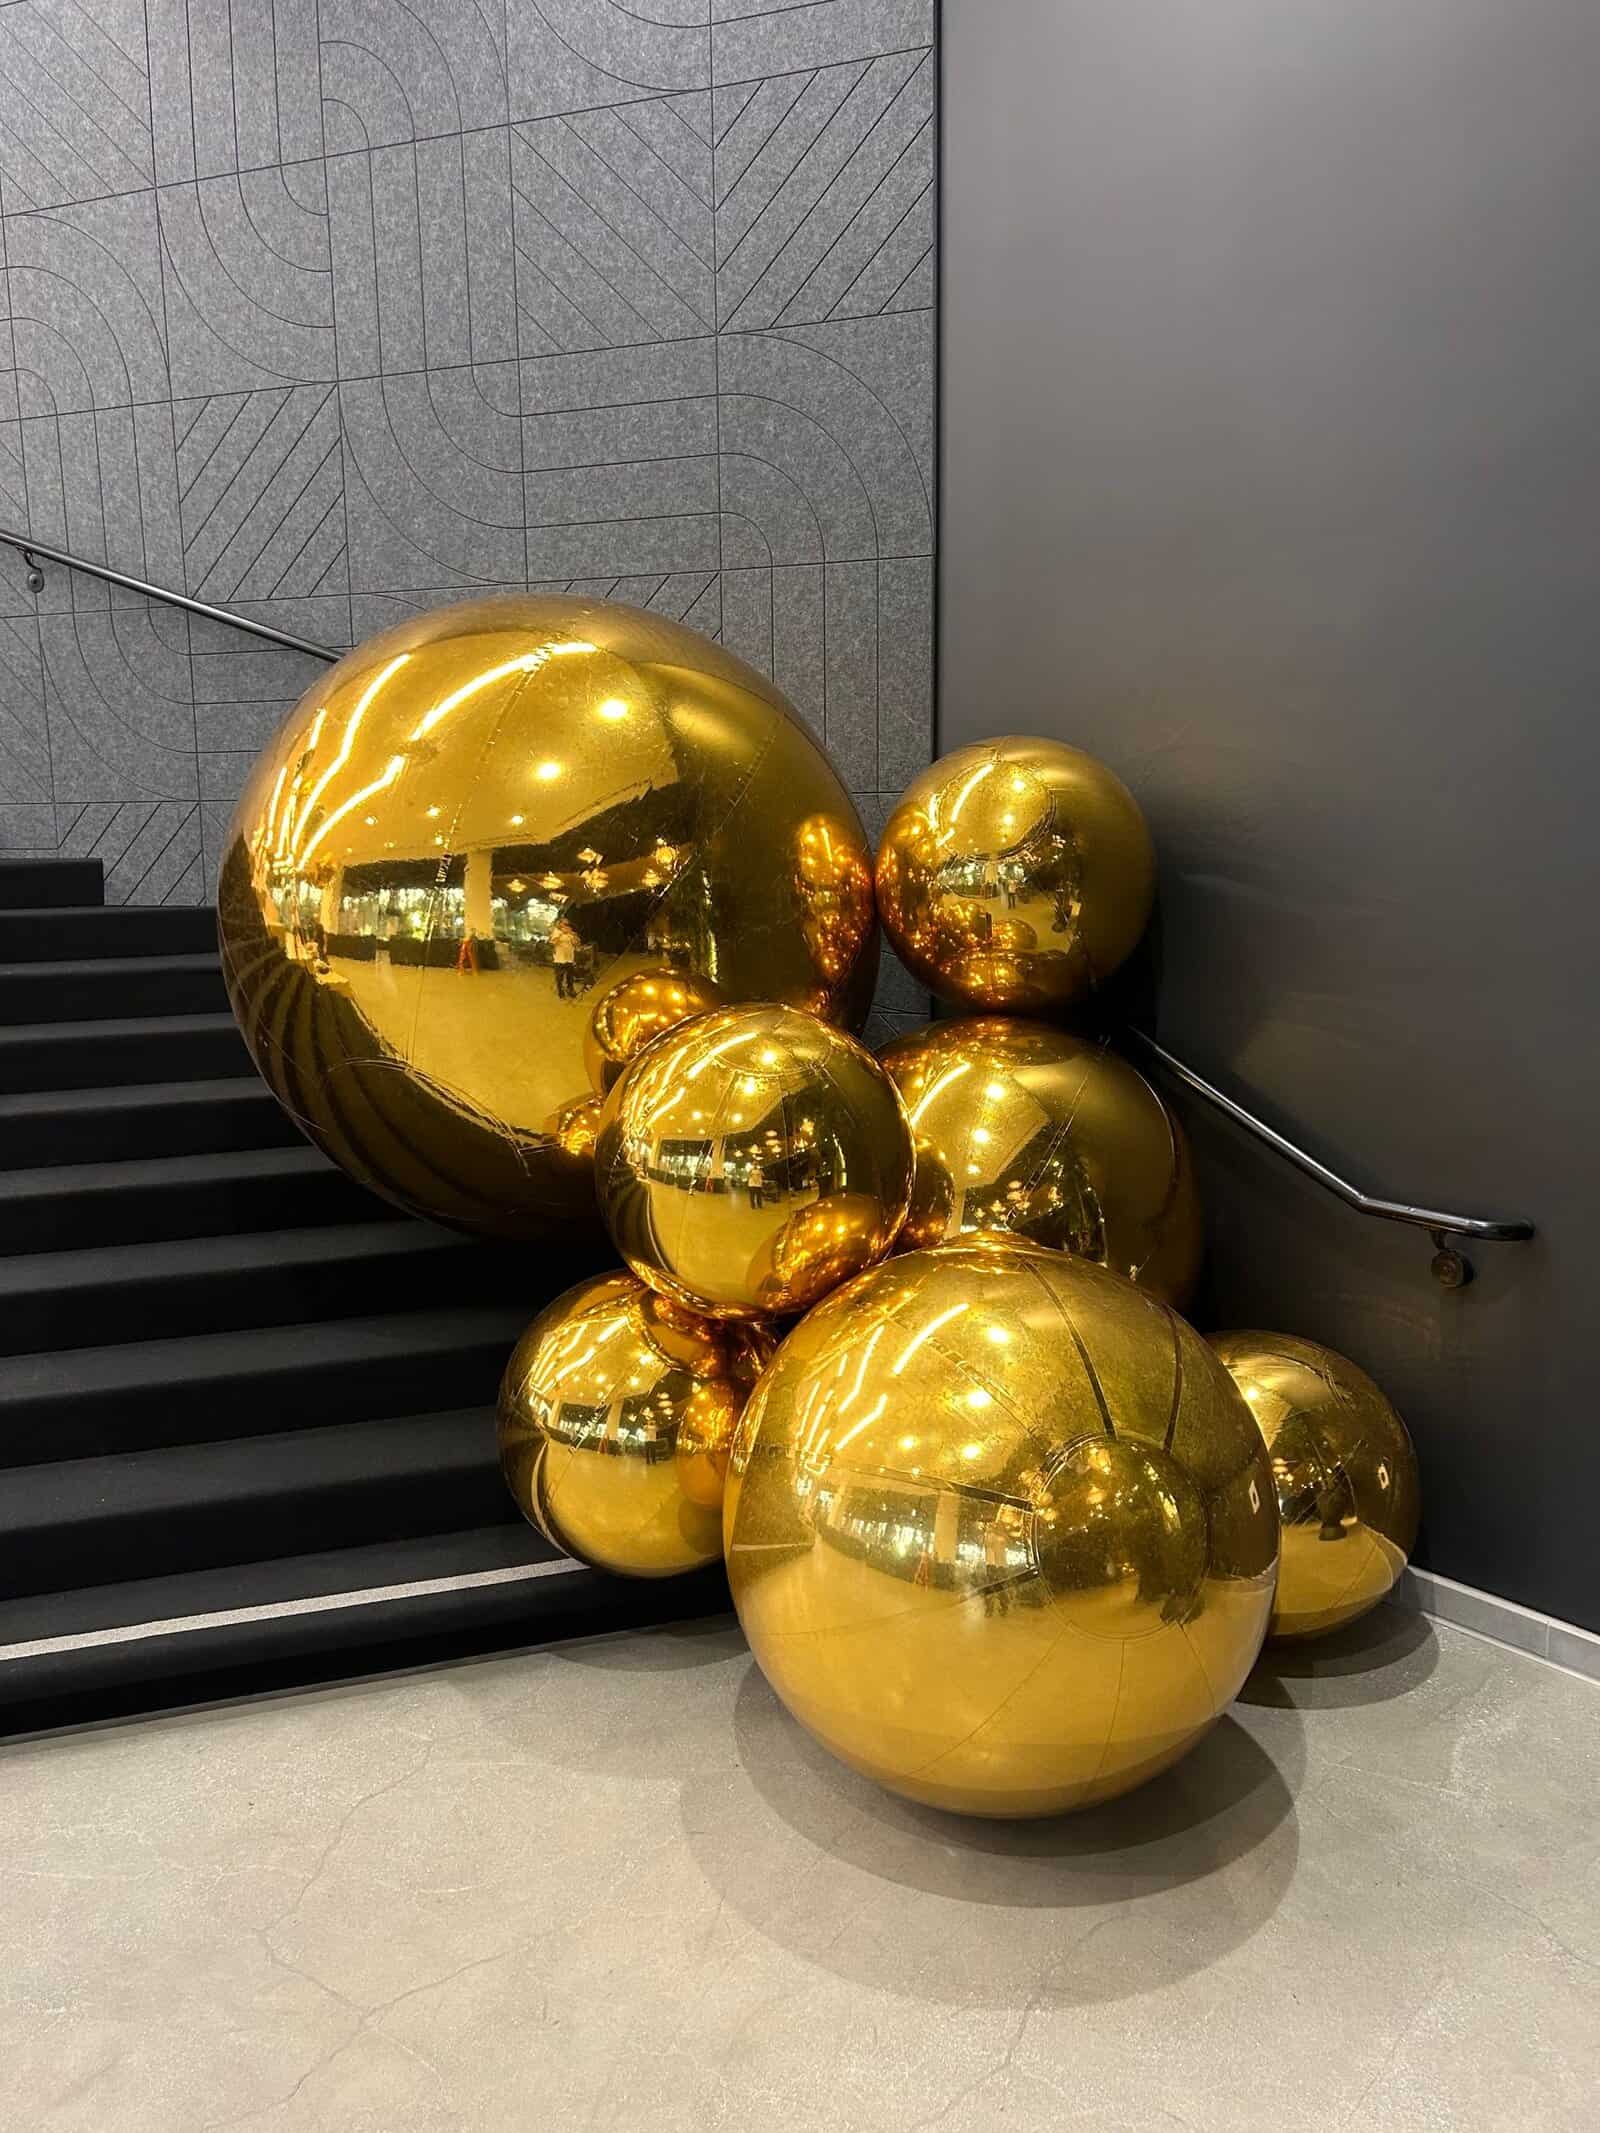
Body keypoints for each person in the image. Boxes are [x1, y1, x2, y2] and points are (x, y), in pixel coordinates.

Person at [550, 915, 580, 999]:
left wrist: (572, 935)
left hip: (569, 958)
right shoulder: (556, 932)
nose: (567, 925)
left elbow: (576, 944)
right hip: (559, 959)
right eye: (565, 924)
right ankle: (560, 991)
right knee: (559, 978)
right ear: (560, 924)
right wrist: (561, 933)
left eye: (568, 924)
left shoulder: (570, 932)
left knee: (570, 977)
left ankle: (570, 989)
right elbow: (553, 943)